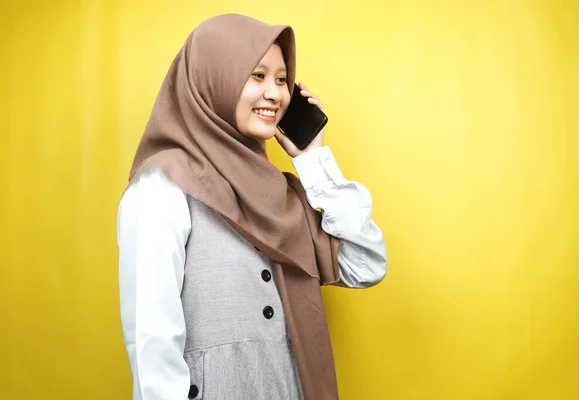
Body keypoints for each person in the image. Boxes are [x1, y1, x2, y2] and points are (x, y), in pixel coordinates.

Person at [117, 13, 387, 400]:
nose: (276, 94)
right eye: (257, 76)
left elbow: (366, 265)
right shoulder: (162, 186)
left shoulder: (283, 196)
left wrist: (312, 158)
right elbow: (152, 342)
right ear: (213, 79)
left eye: (281, 79)